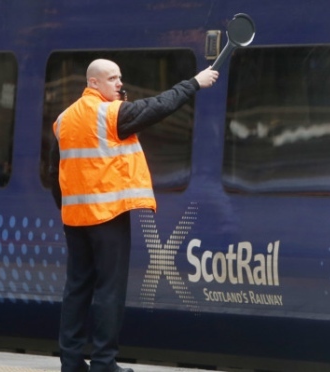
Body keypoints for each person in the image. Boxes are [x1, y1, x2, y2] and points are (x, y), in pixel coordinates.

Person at [48, 58, 218, 372]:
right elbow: (159, 106)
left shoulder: (63, 119)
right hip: (108, 217)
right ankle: (103, 363)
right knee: (110, 290)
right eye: (112, 79)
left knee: (76, 289)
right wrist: (194, 82)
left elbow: (54, 172)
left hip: (75, 219)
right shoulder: (110, 114)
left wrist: (69, 206)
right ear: (94, 83)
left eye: (120, 78)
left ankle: (70, 362)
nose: (119, 84)